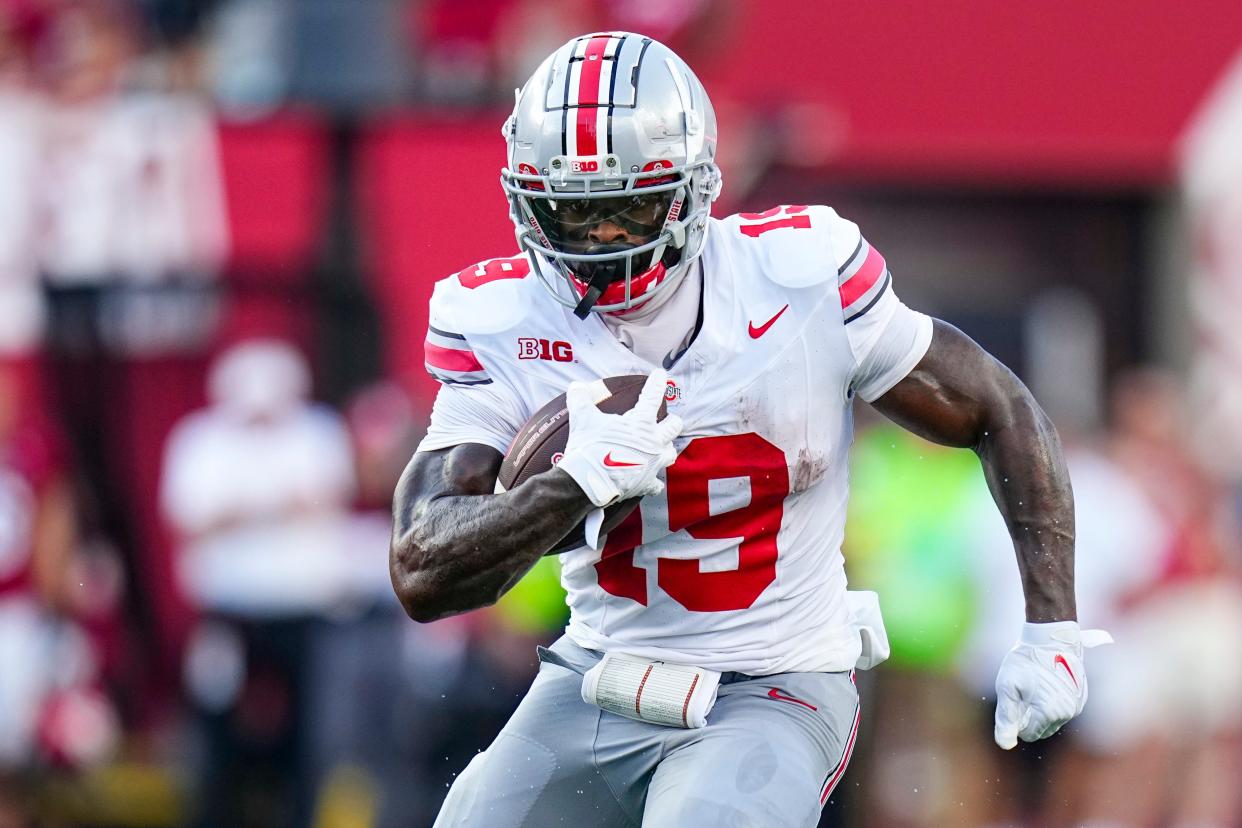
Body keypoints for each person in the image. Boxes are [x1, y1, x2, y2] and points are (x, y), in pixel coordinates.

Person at [390, 32, 1105, 828]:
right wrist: (574, 484)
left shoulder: (801, 280)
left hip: (774, 680)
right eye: (570, 213)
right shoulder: (498, 318)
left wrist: (1052, 627)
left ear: (694, 187)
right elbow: (424, 573)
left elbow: (998, 408)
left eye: (626, 208)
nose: (597, 245)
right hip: (596, 672)